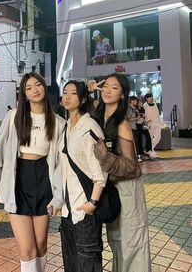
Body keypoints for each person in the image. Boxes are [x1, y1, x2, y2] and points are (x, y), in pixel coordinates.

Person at [0, 72, 65, 272]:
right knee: (27, 249)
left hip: (44, 181)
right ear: (24, 94)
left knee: (41, 245)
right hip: (18, 182)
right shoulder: (13, 117)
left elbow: (62, 164)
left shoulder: (58, 122)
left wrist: (58, 197)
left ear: (45, 87)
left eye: (38, 85)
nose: (35, 90)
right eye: (29, 88)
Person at [88, 74, 151, 272]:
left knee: (132, 242)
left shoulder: (121, 124)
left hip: (128, 189)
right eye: (105, 86)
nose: (107, 90)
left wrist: (105, 157)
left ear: (123, 95)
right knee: (116, 241)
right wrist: (88, 90)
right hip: (111, 189)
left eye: (114, 88)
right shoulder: (99, 117)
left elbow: (131, 166)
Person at [48, 80, 108, 272]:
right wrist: (58, 201)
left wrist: (92, 203)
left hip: (84, 211)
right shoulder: (66, 127)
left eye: (73, 93)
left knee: (87, 265)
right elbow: (64, 170)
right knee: (71, 265)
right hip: (68, 212)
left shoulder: (89, 126)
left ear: (82, 99)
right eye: (65, 92)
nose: (67, 97)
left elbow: (101, 169)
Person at [143, 93, 161, 157]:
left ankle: (150, 148)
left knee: (158, 137)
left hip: (157, 123)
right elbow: (143, 114)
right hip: (150, 124)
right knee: (150, 138)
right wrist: (146, 121)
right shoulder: (145, 105)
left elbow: (157, 113)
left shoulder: (155, 103)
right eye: (149, 97)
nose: (151, 98)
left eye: (151, 97)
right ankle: (150, 150)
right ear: (146, 98)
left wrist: (160, 122)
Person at [127, 96, 143, 161]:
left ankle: (137, 156)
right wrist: (137, 118)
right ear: (132, 101)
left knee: (137, 141)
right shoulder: (129, 109)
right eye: (135, 101)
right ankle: (136, 156)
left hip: (135, 127)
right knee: (134, 142)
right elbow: (128, 119)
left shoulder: (134, 109)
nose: (137, 102)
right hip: (131, 128)